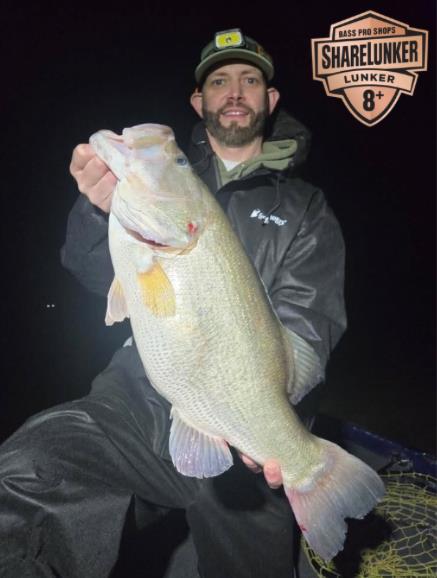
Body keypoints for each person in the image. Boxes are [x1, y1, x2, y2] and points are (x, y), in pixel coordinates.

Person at [0, 29, 346, 578]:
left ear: (271, 99)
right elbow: (91, 271)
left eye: (250, 80)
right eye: (220, 81)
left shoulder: (306, 208)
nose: (235, 91)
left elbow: (307, 324)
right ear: (199, 100)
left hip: (246, 430)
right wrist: (98, 210)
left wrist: (273, 426)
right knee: (32, 471)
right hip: (135, 397)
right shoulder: (145, 196)